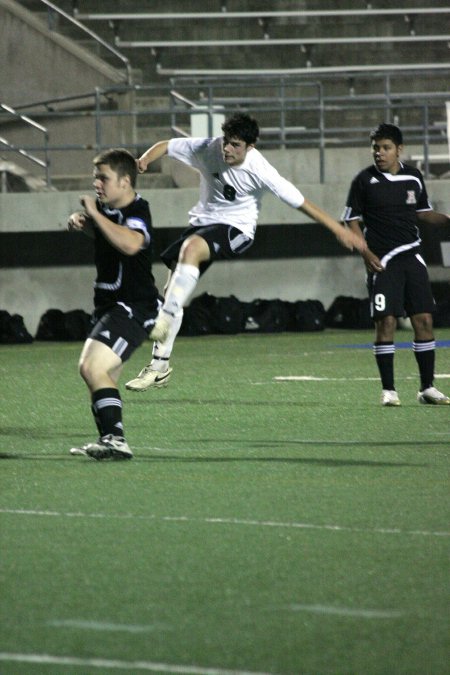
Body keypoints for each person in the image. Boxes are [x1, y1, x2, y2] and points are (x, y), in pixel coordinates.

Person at [125, 112, 366, 392]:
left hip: (236, 230)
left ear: (250, 146)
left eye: (235, 145)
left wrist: (338, 230)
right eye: (227, 141)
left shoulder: (261, 170)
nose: (227, 149)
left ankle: (164, 318)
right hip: (203, 224)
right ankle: (159, 366)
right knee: (171, 292)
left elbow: (303, 203)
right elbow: (166, 144)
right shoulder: (209, 148)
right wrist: (143, 160)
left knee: (188, 256)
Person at [342, 122, 450, 406]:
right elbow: (350, 220)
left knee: (424, 320)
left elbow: (423, 214)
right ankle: (389, 390)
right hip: (382, 262)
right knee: (386, 323)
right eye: (376, 148)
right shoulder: (364, 181)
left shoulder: (413, 178)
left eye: (386, 148)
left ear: (399, 150)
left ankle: (427, 388)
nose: (379, 153)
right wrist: (365, 253)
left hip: (412, 257)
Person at [68, 148, 161, 460]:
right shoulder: (109, 213)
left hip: (133, 307)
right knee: (102, 376)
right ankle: (111, 440)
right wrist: (89, 226)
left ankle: (115, 440)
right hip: (110, 306)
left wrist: (94, 215)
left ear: (124, 181)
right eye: (96, 177)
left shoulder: (138, 209)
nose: (97, 183)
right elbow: (111, 241)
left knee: (91, 366)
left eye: (103, 178)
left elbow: (131, 243)